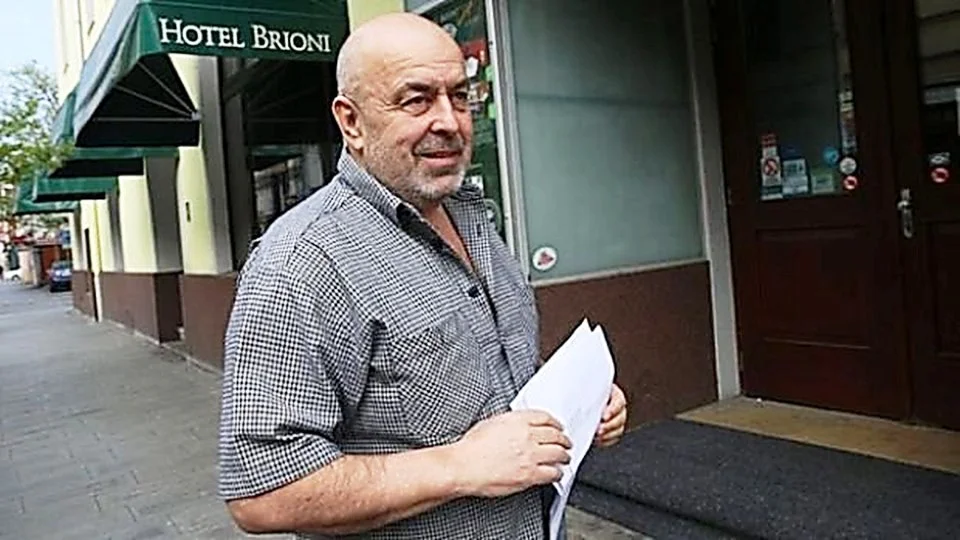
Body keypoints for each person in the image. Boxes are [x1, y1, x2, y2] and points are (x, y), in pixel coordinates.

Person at [217, 12, 627, 540]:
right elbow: (261, 493)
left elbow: (490, 373)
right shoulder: (302, 261)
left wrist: (578, 405)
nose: (450, 121)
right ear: (351, 122)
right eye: (416, 100)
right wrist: (460, 466)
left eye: (459, 96)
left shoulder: (472, 215)